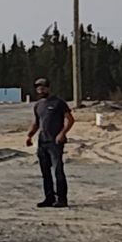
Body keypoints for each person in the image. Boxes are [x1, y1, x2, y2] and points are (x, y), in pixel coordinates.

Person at [25, 78, 75, 208]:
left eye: (43, 87)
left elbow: (70, 119)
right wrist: (29, 136)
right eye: (38, 88)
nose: (41, 90)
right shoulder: (38, 105)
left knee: (58, 170)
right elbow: (37, 123)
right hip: (42, 142)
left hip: (55, 142)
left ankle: (62, 199)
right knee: (45, 171)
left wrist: (62, 133)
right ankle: (49, 198)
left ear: (48, 88)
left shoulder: (59, 103)